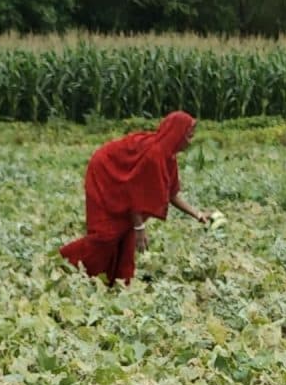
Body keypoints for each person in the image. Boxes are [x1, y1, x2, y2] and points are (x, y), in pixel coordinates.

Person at [60, 111, 212, 283]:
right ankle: (64, 261)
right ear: (177, 134)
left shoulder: (168, 156)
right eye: (188, 137)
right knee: (105, 236)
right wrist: (139, 228)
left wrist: (198, 215)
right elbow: (134, 193)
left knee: (124, 233)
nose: (190, 142)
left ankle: (117, 279)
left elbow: (172, 194)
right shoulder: (154, 155)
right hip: (104, 174)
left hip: (122, 182)